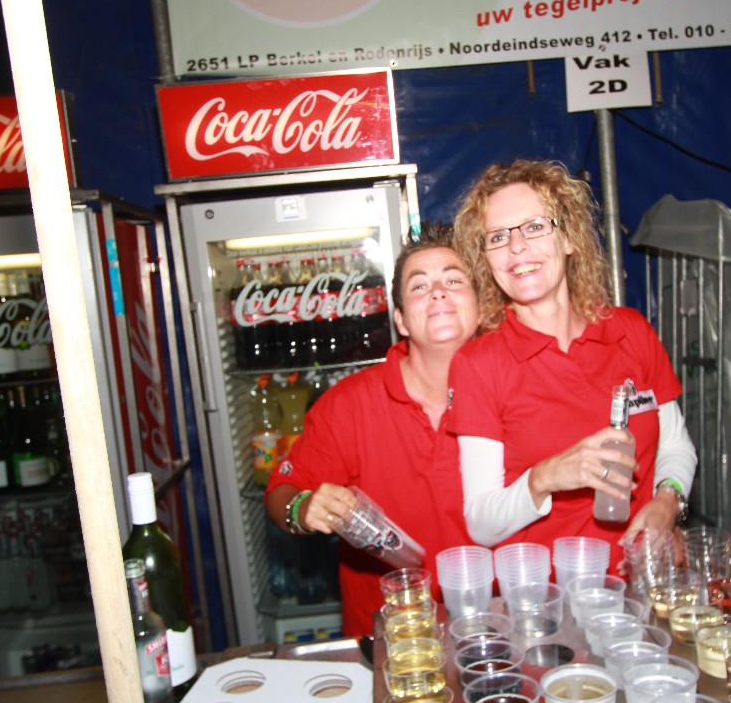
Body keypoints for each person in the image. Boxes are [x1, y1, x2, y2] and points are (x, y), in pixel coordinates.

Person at [448, 160, 697, 573]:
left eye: (534, 227)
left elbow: (675, 444)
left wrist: (667, 501)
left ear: (568, 238)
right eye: (498, 236)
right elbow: (481, 522)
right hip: (551, 595)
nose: (516, 247)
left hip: (646, 580)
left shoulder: (630, 331)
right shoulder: (478, 365)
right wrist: (545, 476)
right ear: (486, 259)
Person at [265, 224, 480, 636]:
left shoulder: (515, 393)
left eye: (454, 281)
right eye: (420, 286)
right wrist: (302, 510)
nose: (438, 292)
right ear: (401, 320)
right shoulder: (349, 404)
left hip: (489, 629)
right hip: (391, 639)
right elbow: (281, 493)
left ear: (481, 308)